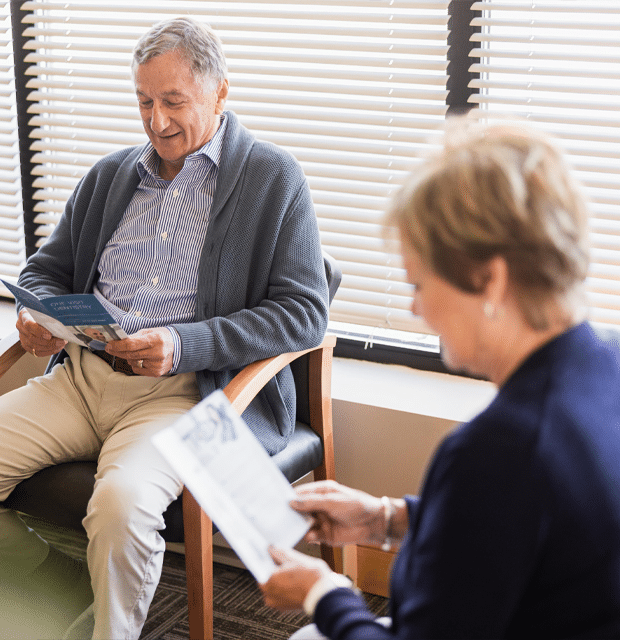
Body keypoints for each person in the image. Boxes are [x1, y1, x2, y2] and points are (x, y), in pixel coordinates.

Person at [0, 16, 328, 640]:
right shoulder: (111, 175)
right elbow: (44, 272)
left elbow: (304, 313)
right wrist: (35, 314)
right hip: (81, 380)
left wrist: (183, 344)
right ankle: (48, 607)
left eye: (174, 102)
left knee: (121, 508)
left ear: (220, 92)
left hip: (187, 395)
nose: (156, 121)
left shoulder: (272, 178)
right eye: (145, 102)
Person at [260, 116, 620, 638]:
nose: (414, 309)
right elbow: (523, 522)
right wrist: (383, 518)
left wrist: (324, 594)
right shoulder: (604, 366)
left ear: (489, 279)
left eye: (420, 283)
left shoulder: (499, 449)